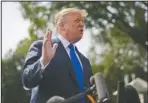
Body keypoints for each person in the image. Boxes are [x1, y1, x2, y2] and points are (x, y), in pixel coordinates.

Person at [22, 8, 93, 103]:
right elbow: (27, 80)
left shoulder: (85, 61)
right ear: (62, 26)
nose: (81, 24)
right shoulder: (41, 47)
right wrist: (43, 61)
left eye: (82, 21)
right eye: (77, 21)